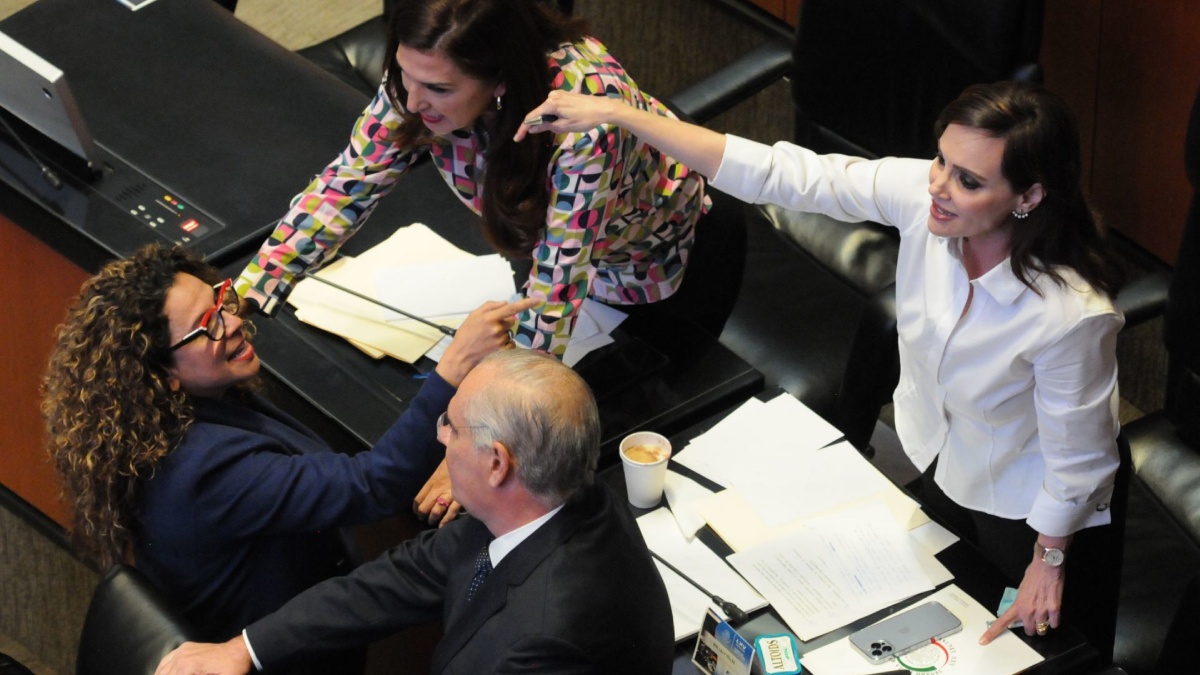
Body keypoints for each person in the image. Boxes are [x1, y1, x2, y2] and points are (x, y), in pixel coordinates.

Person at [517, 81, 1126, 657]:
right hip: (938, 458)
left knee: (1021, 649)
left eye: (968, 181)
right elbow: (788, 174)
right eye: (940, 160)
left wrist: (1049, 561)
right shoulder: (928, 198)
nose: (939, 186)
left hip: (1031, 511)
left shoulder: (1070, 315)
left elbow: (1081, 460)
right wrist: (624, 116)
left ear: (1030, 197)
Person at [43, 244, 533, 674]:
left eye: (221, 300)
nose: (233, 321)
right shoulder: (204, 471)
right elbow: (372, 486)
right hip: (283, 653)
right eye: (207, 325)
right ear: (163, 374)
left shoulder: (191, 409)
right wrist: (452, 370)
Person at [234, 0, 743, 361]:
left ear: (499, 81)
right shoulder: (423, 73)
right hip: (557, 247)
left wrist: (483, 424)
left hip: (659, 261)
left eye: (436, 88)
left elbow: (556, 289)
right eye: (404, 76)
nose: (411, 102)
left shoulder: (583, 124)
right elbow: (348, 181)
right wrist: (249, 292)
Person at [154, 349, 675, 675]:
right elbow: (404, 575)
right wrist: (246, 647)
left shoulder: (540, 644)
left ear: (497, 464)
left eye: (450, 425)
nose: (439, 436)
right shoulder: (557, 502)